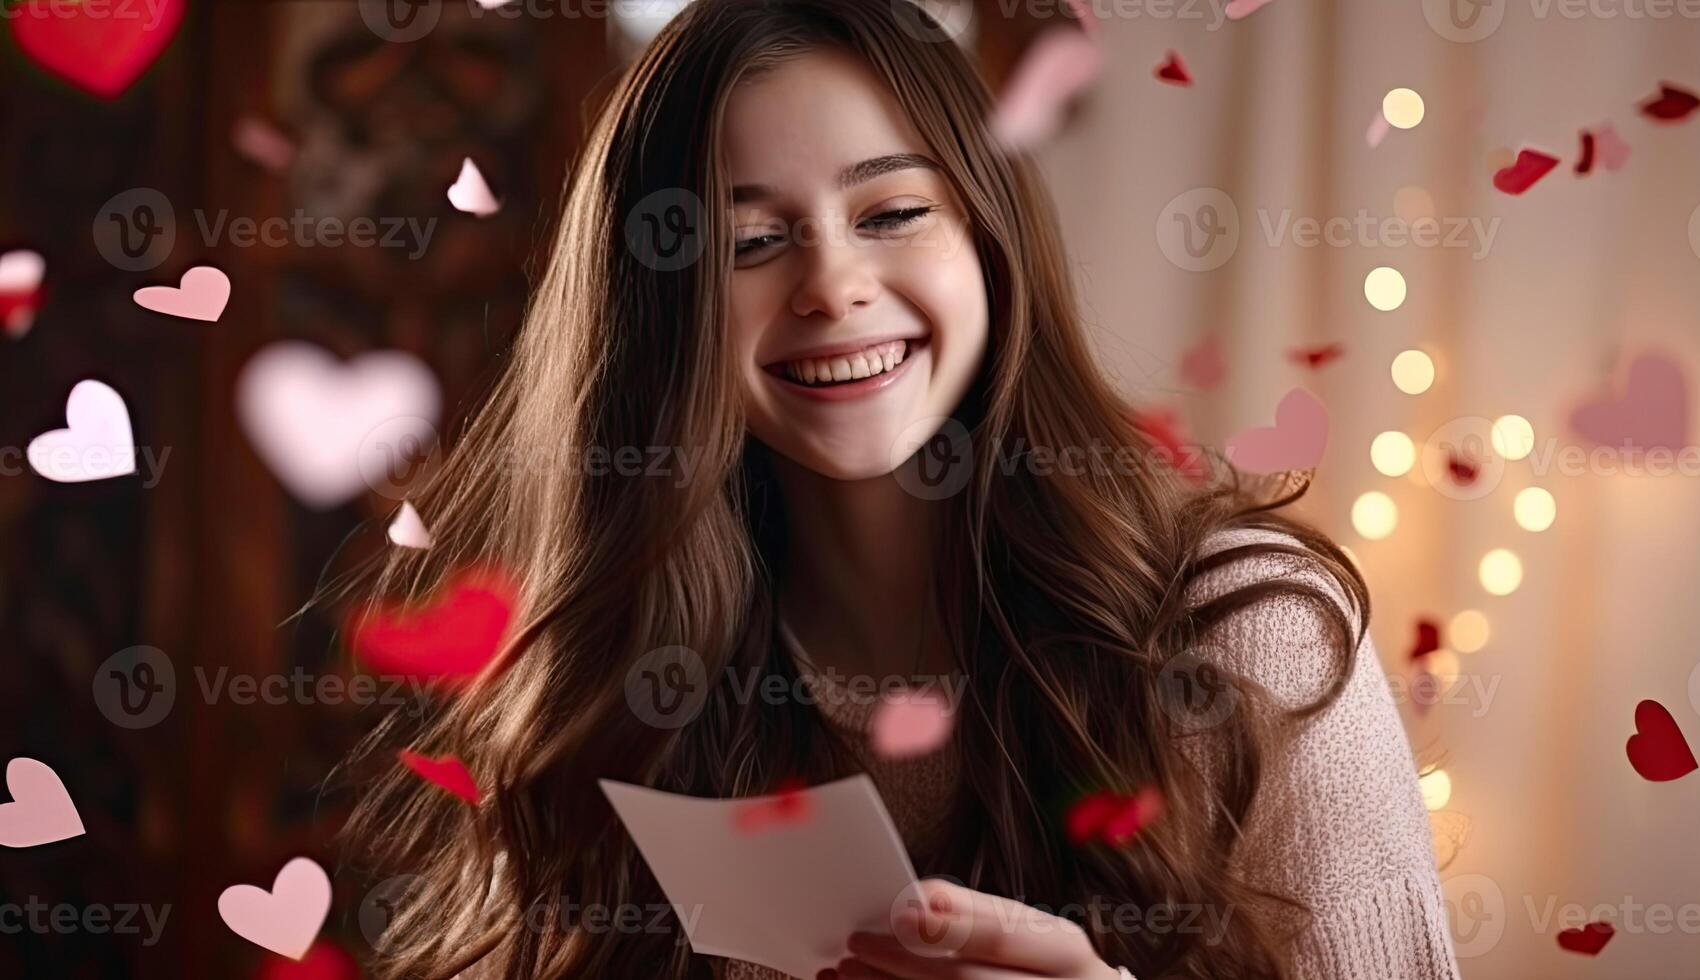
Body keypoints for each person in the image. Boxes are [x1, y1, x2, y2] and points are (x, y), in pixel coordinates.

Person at [339, 1, 1461, 977]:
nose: (833, 284)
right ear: (661, 313)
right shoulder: (610, 683)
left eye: (891, 213)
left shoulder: (1249, 635)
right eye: (751, 240)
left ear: (988, 237)